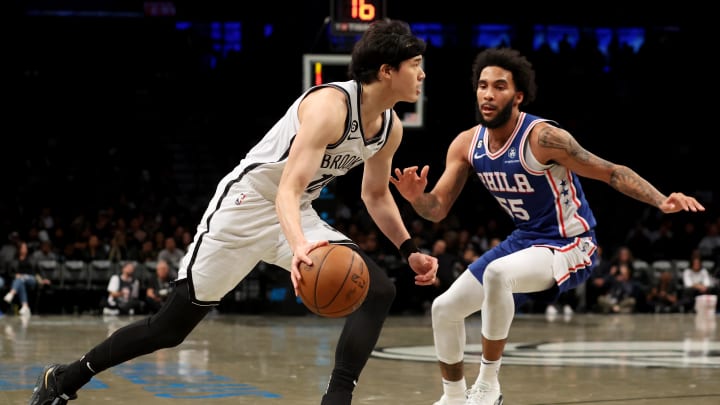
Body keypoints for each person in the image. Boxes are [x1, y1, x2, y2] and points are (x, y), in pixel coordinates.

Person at [29, 19, 438, 405]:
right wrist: (299, 247)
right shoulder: (330, 106)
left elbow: (376, 196)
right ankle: (66, 378)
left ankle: (336, 398)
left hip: (296, 211)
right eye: (415, 65)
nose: (421, 75)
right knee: (169, 328)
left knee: (379, 289)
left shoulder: (389, 128)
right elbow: (286, 187)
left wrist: (409, 249)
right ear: (386, 71)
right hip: (246, 206)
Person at [389, 47, 705, 405]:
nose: (488, 94)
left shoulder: (543, 138)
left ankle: (489, 385)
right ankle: (454, 398)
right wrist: (416, 198)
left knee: (496, 274)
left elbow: (610, 171)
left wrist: (661, 200)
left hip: (572, 242)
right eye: (482, 85)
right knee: (444, 308)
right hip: (525, 240)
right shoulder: (467, 143)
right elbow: (438, 209)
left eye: (499, 86)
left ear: (518, 96)